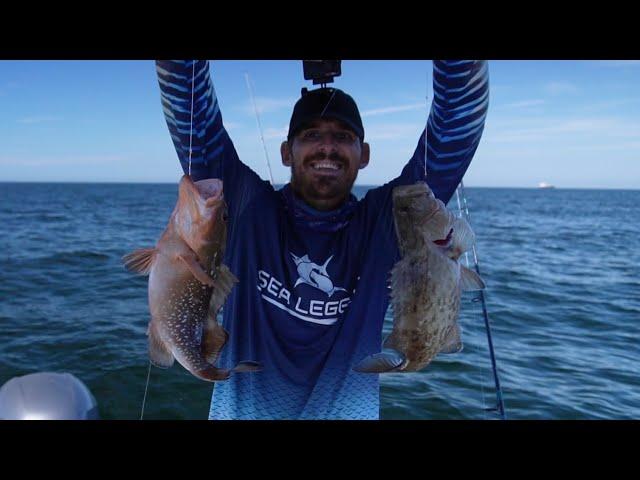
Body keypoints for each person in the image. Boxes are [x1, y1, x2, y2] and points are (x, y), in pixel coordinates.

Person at [155, 60, 489, 419]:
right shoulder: (245, 206)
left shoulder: (394, 218)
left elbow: (459, 114)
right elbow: (188, 102)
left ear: (364, 155)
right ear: (287, 152)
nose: (327, 147)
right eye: (311, 134)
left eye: (343, 136)